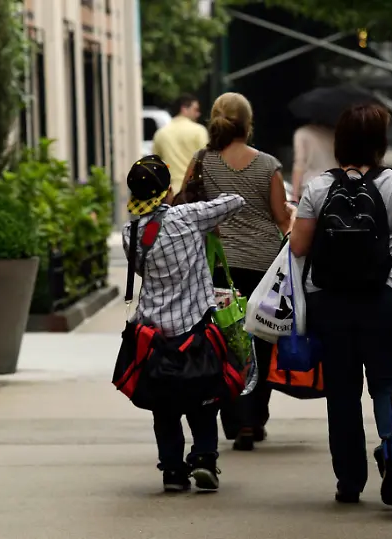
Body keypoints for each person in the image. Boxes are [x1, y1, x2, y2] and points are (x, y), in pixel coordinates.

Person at [290, 103, 392, 504]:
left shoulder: (319, 188)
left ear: (340, 143)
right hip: (386, 299)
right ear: (380, 144)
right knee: (388, 386)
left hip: (330, 303)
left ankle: (349, 481)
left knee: (341, 393)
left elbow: (299, 246)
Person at [121, 154, 245, 492]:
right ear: (168, 190)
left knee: (164, 408)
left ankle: (173, 471)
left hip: (154, 336)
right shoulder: (188, 217)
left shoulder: (130, 233)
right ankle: (205, 458)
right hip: (195, 329)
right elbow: (236, 201)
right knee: (204, 396)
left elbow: (141, 272)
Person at [182, 92, 296, 451]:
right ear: (248, 124)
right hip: (262, 269)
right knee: (260, 343)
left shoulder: (201, 162)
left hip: (217, 268)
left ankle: (231, 418)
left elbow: (186, 206)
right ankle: (252, 419)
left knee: (222, 345)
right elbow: (281, 218)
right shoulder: (268, 165)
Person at [152, 94, 210, 194]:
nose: (198, 114)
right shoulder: (199, 131)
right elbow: (207, 161)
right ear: (184, 109)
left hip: (170, 193)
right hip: (193, 193)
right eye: (195, 109)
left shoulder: (161, 133)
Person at [291, 123, 336, 201]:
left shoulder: (302, 133)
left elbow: (299, 164)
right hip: (335, 186)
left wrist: (294, 195)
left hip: (312, 189)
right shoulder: (333, 132)